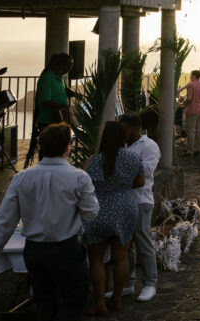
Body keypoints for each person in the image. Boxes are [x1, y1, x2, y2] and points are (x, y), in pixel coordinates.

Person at [0, 123, 98, 321]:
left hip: (35, 250)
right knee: (73, 300)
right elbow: (91, 214)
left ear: (41, 148)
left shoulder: (22, 178)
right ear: (67, 147)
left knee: (44, 302)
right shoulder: (79, 177)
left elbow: (5, 220)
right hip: (66, 248)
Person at [82, 121, 144, 315]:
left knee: (97, 259)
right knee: (121, 257)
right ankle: (116, 299)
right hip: (125, 207)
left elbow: (85, 183)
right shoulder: (133, 158)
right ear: (122, 138)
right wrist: (121, 189)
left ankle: (99, 302)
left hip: (98, 210)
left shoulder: (93, 161)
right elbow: (140, 182)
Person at [120, 113, 160, 303]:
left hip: (141, 200)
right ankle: (128, 284)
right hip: (124, 200)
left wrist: (120, 173)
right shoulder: (124, 145)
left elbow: (145, 171)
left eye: (125, 129)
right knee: (126, 245)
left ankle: (150, 283)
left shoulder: (149, 146)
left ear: (136, 128)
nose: (123, 133)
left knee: (143, 242)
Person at [26, 52, 73, 167]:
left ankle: (57, 168)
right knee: (48, 149)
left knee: (59, 148)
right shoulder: (47, 78)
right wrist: (63, 107)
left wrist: (73, 93)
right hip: (47, 120)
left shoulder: (59, 77)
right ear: (59, 65)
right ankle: (44, 169)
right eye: (67, 67)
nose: (68, 71)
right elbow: (46, 101)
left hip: (58, 119)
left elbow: (65, 90)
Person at [177, 70, 200, 157]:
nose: (190, 77)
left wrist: (184, 101)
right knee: (199, 130)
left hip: (192, 109)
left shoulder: (191, 85)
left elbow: (189, 98)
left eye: (191, 75)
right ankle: (199, 148)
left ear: (194, 76)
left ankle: (190, 150)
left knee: (190, 131)